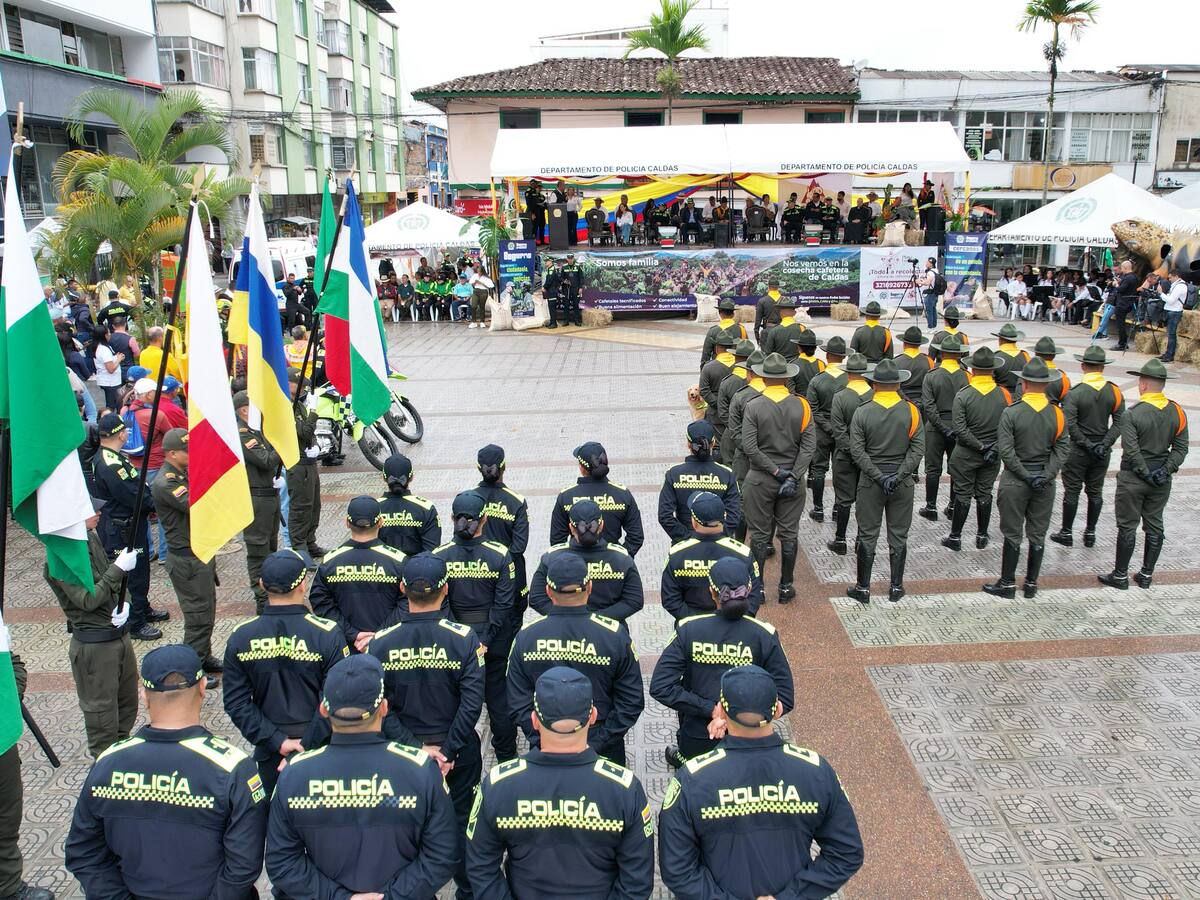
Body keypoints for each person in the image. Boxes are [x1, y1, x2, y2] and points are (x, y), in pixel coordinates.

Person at [65, 645, 268, 898]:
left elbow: (83, 853)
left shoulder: (107, 762)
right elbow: (243, 865)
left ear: (144, 695)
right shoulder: (234, 768)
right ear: (203, 687)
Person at [658, 664, 864, 900]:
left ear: (722, 712)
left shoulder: (692, 778)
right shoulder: (816, 770)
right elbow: (846, 853)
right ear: (776, 710)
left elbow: (677, 869)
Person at [265, 654, 458, 900]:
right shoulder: (420, 770)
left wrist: (338, 897)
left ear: (323, 709)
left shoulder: (294, 775)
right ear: (384, 708)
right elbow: (443, 856)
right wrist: (391, 896)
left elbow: (282, 864)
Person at [466, 667, 655, 899]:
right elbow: (637, 881)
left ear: (534, 720)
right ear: (593, 716)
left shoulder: (497, 784)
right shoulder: (625, 788)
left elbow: (480, 868)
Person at [366, 552, 483, 900]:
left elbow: (381, 707)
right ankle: (467, 889)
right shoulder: (464, 638)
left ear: (403, 589)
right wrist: (447, 751)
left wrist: (415, 749)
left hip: (403, 757)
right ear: (446, 589)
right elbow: (472, 703)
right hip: (458, 752)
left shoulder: (381, 642)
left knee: (406, 824)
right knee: (462, 822)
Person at [222, 549, 348, 795]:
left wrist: (277, 740)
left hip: (270, 750)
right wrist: (307, 744)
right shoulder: (327, 632)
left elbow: (236, 703)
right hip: (322, 746)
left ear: (261, 585)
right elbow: (337, 697)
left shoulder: (242, 636)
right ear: (303, 584)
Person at [651, 557, 793, 765]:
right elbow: (786, 698)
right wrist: (744, 717)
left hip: (700, 736)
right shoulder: (765, 635)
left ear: (711, 591)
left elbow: (661, 686)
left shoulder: (689, 629)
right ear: (750, 588)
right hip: (750, 739)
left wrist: (712, 710)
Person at [508, 555, 643, 764]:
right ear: (589, 587)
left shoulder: (526, 636)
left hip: (546, 745)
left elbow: (517, 700)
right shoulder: (614, 635)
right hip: (602, 745)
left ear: (548, 591)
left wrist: (543, 739)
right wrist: (597, 744)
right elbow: (631, 700)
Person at [44, 499, 140, 758]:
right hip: (95, 648)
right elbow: (88, 600)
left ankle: (120, 760)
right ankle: (104, 773)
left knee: (127, 706)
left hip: (118, 637)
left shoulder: (90, 538)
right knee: (102, 719)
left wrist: (126, 603)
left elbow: (115, 583)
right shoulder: (61, 557)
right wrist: (118, 569)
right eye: (91, 510)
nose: (99, 512)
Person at [434, 490, 518, 762]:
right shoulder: (500, 555)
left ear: (452, 519)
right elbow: (505, 604)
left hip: (454, 642)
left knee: (453, 699)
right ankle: (506, 757)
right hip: (493, 642)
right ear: (485, 520)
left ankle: (452, 754)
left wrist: (461, 637)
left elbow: (439, 602)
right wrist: (486, 638)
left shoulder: (440, 556)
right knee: (498, 698)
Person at [983, 358, 1070, 599]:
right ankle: (1031, 584)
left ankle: (1008, 583)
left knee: (1012, 533)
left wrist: (1026, 475)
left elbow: (1007, 451)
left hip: (1015, 481)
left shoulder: (1012, 412)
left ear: (1024, 384)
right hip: (1044, 482)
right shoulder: (1058, 414)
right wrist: (1045, 475)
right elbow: (1062, 449)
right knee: (1037, 533)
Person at [1099, 359, 1189, 590]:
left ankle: (1120, 575)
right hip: (1161, 478)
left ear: (1143, 385)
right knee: (1155, 524)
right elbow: (1181, 448)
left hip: (1134, 479)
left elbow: (1131, 449)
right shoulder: (1177, 411)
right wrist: (1165, 470)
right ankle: (1146, 574)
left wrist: (1144, 472)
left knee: (1128, 525)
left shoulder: (1133, 414)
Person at [845, 359, 924, 604]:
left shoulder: (863, 411)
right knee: (899, 535)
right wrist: (899, 475)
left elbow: (857, 451)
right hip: (901, 483)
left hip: (871, 482)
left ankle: (863, 588)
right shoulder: (911, 410)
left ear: (874, 383)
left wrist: (879, 476)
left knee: (868, 534)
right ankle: (896, 587)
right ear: (898, 383)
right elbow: (918, 448)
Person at [740, 352, 815, 603]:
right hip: (792, 481)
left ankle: (758, 588)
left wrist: (774, 471)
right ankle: (785, 586)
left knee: (760, 535)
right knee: (789, 534)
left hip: (761, 479)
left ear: (762, 376)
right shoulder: (802, 405)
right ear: (785, 378)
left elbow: (749, 447)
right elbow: (808, 446)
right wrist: (793, 475)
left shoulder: (754, 405)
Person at [151, 429, 221, 682]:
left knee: (207, 610)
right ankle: (193, 669)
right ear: (171, 454)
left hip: (198, 554)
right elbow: (197, 506)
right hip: (186, 560)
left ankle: (204, 655)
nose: (192, 454)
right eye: (186, 451)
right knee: (197, 618)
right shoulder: (166, 482)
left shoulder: (181, 474)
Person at [91, 413, 165, 641]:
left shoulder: (111, 456)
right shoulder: (111, 463)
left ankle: (142, 608)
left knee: (140, 571)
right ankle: (136, 622)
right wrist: (157, 504)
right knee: (133, 575)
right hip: (123, 529)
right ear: (120, 433)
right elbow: (134, 495)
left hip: (128, 525)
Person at [310, 496, 408, 652]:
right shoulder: (398, 561)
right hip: (389, 646)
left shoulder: (330, 561)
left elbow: (320, 603)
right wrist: (378, 634)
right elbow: (408, 603)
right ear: (381, 522)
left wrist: (352, 634)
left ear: (347, 523)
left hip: (345, 646)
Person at [1051, 346, 1126, 549]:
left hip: (1078, 450)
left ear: (1083, 366)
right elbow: (1120, 423)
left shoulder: (1075, 394)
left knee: (1072, 491)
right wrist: (1104, 443)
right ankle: (1090, 532)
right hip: (1102, 451)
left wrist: (1087, 444)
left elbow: (1070, 424)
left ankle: (1067, 531)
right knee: (1095, 491)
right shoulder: (1115, 392)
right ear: (1102, 367)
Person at [530, 499, 643, 622]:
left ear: (571, 528)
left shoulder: (552, 557)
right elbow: (634, 600)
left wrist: (566, 617)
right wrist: (597, 620)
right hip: (608, 636)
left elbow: (536, 598)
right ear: (601, 525)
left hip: (563, 631)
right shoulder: (622, 558)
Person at [944, 347, 1011, 551]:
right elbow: (1009, 428)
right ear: (993, 370)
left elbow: (960, 429)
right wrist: (993, 448)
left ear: (972, 369)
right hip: (992, 455)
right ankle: (982, 535)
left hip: (966, 454)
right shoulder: (1005, 395)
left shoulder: (964, 396)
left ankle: (955, 537)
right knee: (984, 493)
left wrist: (979, 446)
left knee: (962, 493)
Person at [660, 492, 763, 621]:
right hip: (735, 630)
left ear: (694, 521)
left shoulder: (677, 554)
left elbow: (670, 599)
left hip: (692, 632)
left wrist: (697, 623)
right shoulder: (743, 553)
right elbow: (754, 595)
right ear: (724, 517)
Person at [233, 391, 283, 612]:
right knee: (258, 551)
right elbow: (266, 460)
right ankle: (262, 600)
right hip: (256, 499)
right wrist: (283, 443)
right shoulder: (244, 434)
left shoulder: (255, 430)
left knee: (270, 547)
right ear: (244, 410)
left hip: (267, 496)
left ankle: (271, 589)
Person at [550, 442, 644, 555]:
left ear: (581, 467)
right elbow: (636, 536)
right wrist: (620, 560)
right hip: (611, 565)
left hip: (576, 566)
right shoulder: (622, 494)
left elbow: (557, 541)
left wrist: (570, 564)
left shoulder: (566, 496)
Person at [473, 443, 530, 617]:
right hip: (512, 581)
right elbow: (519, 546)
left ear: (478, 468)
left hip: (477, 578)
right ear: (504, 467)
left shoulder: (468, 499)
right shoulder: (517, 501)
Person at [658, 421, 740, 541]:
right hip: (718, 547)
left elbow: (665, 516)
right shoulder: (726, 474)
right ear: (713, 443)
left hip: (684, 549)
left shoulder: (674, 473)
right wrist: (719, 537)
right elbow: (734, 516)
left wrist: (688, 539)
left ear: (688, 444)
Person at [825, 353, 873, 555]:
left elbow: (838, 431)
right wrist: (863, 454)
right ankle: (861, 541)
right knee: (865, 500)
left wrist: (853, 452)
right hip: (870, 459)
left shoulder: (841, 396)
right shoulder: (874, 395)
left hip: (845, 456)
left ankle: (840, 540)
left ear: (849, 373)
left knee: (844, 500)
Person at [918, 335, 970, 522]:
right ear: (958, 355)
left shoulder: (932, 375)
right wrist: (957, 428)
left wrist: (941, 427)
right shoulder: (967, 376)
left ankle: (931, 506)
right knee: (957, 468)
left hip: (935, 427)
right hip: (959, 427)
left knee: (933, 468)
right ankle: (953, 505)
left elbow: (928, 406)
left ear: (941, 352)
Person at [804, 336, 848, 524]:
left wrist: (828, 427)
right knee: (841, 471)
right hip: (843, 431)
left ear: (828, 355)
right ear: (843, 357)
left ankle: (818, 508)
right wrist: (838, 429)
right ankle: (838, 507)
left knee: (819, 469)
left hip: (822, 431)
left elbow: (812, 409)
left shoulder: (817, 380)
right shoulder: (849, 380)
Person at [722, 350, 766, 533]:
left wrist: (748, 449)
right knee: (766, 499)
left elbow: (734, 430)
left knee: (740, 498)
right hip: (769, 456)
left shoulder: (740, 396)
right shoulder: (776, 396)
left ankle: (739, 540)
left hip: (743, 456)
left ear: (748, 373)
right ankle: (767, 542)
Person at [285, 370, 325, 561]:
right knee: (301, 507)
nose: (302, 389)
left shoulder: (298, 404)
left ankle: (310, 542)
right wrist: (315, 413)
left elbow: (311, 436)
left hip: (308, 462)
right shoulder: (285, 407)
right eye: (298, 384)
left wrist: (316, 446)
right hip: (296, 463)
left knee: (314, 505)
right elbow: (305, 432)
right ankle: (299, 547)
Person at [377, 452, 441, 555]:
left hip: (383, 569)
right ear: (411, 477)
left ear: (384, 478)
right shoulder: (426, 508)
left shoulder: (373, 508)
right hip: (417, 569)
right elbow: (432, 551)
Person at [698, 329, 738, 428]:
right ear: (733, 347)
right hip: (737, 414)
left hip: (715, 415)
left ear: (716, 348)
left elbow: (704, 391)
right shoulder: (740, 366)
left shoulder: (708, 367)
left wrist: (719, 405)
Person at [700, 298, 747, 367]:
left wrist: (704, 372)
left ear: (720, 313)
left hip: (717, 368)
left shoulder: (713, 331)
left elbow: (706, 355)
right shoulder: (742, 329)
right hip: (736, 368)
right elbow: (746, 350)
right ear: (733, 314)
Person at [895, 325, 933, 405]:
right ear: (919, 344)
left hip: (902, 402)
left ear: (904, 343)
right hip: (924, 402)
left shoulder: (895, 362)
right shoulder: (929, 361)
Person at [760, 295, 806, 360]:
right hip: (797, 366)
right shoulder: (802, 329)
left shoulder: (774, 331)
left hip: (779, 366)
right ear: (794, 313)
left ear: (780, 313)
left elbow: (768, 354)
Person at [1108, 259, 1141, 350]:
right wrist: (1120, 282)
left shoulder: (1128, 277)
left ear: (1125, 268)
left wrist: (1116, 284)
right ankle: (1123, 342)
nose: (1121, 269)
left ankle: (1122, 343)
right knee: (1121, 323)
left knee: (1120, 324)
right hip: (1129, 302)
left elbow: (1121, 289)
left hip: (1122, 303)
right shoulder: (1135, 277)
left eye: (1122, 267)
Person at [91, 326, 125, 410]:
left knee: (113, 403)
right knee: (112, 405)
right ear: (105, 335)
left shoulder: (102, 347)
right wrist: (119, 359)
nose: (110, 335)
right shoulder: (103, 350)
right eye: (108, 333)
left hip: (109, 381)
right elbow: (111, 369)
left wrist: (115, 357)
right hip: (110, 382)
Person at [1157, 271, 1188, 362]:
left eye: (1170, 277)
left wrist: (1161, 293)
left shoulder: (1180, 286)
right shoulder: (1176, 285)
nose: (1169, 279)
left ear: (1176, 276)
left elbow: (1170, 301)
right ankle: (1167, 353)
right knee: (1169, 334)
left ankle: (1170, 355)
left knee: (1171, 334)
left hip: (1174, 312)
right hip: (1172, 311)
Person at [992, 322, 1030, 395]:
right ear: (1015, 340)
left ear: (1000, 340)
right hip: (1021, 396)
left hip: (1000, 395)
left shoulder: (995, 357)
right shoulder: (1025, 356)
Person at [789, 329, 826, 397]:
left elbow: (791, 391)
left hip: (800, 404)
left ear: (799, 347)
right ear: (815, 348)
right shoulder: (821, 364)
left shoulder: (793, 365)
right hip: (817, 404)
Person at [105, 316, 138, 383]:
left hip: (114, 367)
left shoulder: (108, 338)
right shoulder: (130, 339)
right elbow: (137, 354)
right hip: (128, 369)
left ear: (113, 326)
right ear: (125, 324)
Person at [753, 278, 783, 344]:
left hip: (768, 332)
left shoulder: (762, 301)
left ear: (768, 287)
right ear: (778, 287)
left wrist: (757, 336)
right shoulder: (785, 300)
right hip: (783, 331)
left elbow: (758, 320)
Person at [917, 257, 942, 330]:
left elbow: (928, 282)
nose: (926, 263)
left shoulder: (930, 272)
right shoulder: (936, 270)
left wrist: (919, 282)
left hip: (930, 294)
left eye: (927, 262)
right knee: (933, 309)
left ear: (931, 264)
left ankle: (930, 327)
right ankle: (934, 326)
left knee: (929, 311)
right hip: (935, 293)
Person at [561, 252, 583, 327]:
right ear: (567, 259)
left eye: (571, 258)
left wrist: (580, 288)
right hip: (567, 289)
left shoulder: (578, 266)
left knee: (576, 305)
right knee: (566, 305)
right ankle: (566, 321)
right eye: (569, 259)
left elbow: (581, 278)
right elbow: (561, 278)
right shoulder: (564, 267)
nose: (570, 260)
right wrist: (564, 281)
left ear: (573, 259)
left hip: (575, 289)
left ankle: (577, 320)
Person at [525, 179, 548, 244]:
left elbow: (541, 202)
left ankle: (541, 241)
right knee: (533, 228)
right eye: (537, 185)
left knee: (540, 226)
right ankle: (533, 242)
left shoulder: (538, 194)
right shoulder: (528, 192)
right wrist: (532, 213)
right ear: (532, 184)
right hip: (532, 212)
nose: (538, 188)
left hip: (539, 212)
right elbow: (529, 204)